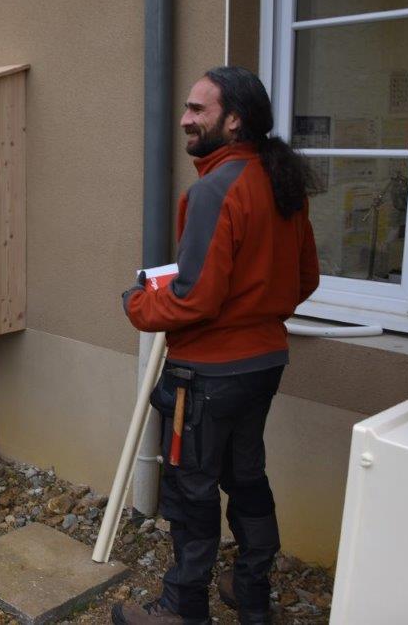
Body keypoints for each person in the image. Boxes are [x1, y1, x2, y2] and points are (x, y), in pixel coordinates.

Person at [114, 66, 320, 625]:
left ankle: (183, 607)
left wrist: (137, 303)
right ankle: (251, 593)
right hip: (264, 365)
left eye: (197, 110)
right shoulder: (281, 183)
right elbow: (304, 281)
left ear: (233, 120)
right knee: (247, 475)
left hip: (206, 376)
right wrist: (254, 309)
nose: (185, 118)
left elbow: (193, 300)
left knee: (191, 489)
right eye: (187, 108)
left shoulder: (213, 189)